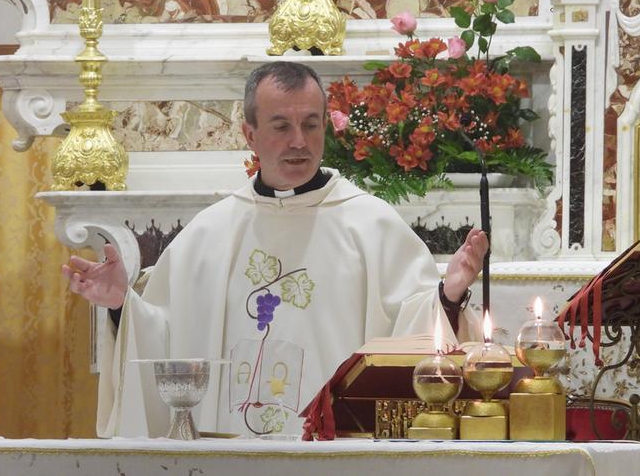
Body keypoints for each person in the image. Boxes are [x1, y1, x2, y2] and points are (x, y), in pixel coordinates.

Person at [63, 61, 489, 438]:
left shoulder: (372, 226)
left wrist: (447, 297)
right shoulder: (209, 234)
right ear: (250, 134)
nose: (299, 141)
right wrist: (122, 305)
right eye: (281, 126)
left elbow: (412, 336)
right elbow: (165, 344)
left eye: (311, 124)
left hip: (337, 458)